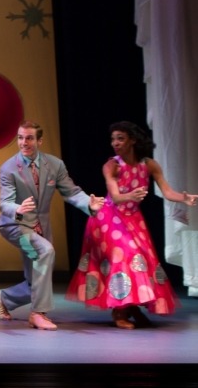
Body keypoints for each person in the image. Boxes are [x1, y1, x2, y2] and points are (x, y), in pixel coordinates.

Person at [66, 121, 197, 328]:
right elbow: (116, 197)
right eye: (113, 139)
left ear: (132, 140)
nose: (115, 143)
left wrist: (184, 198)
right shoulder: (112, 165)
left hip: (134, 219)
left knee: (142, 261)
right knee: (125, 257)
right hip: (108, 218)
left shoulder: (149, 165)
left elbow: (167, 191)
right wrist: (131, 195)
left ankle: (131, 305)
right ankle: (119, 312)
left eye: (120, 138)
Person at [0, 120, 103, 330]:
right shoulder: (8, 168)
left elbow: (71, 192)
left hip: (40, 226)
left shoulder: (54, 164)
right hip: (16, 228)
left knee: (37, 276)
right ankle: (38, 313)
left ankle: (4, 299)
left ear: (39, 140)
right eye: (20, 138)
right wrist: (17, 208)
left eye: (29, 138)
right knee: (45, 251)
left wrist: (88, 202)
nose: (24, 142)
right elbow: (4, 203)